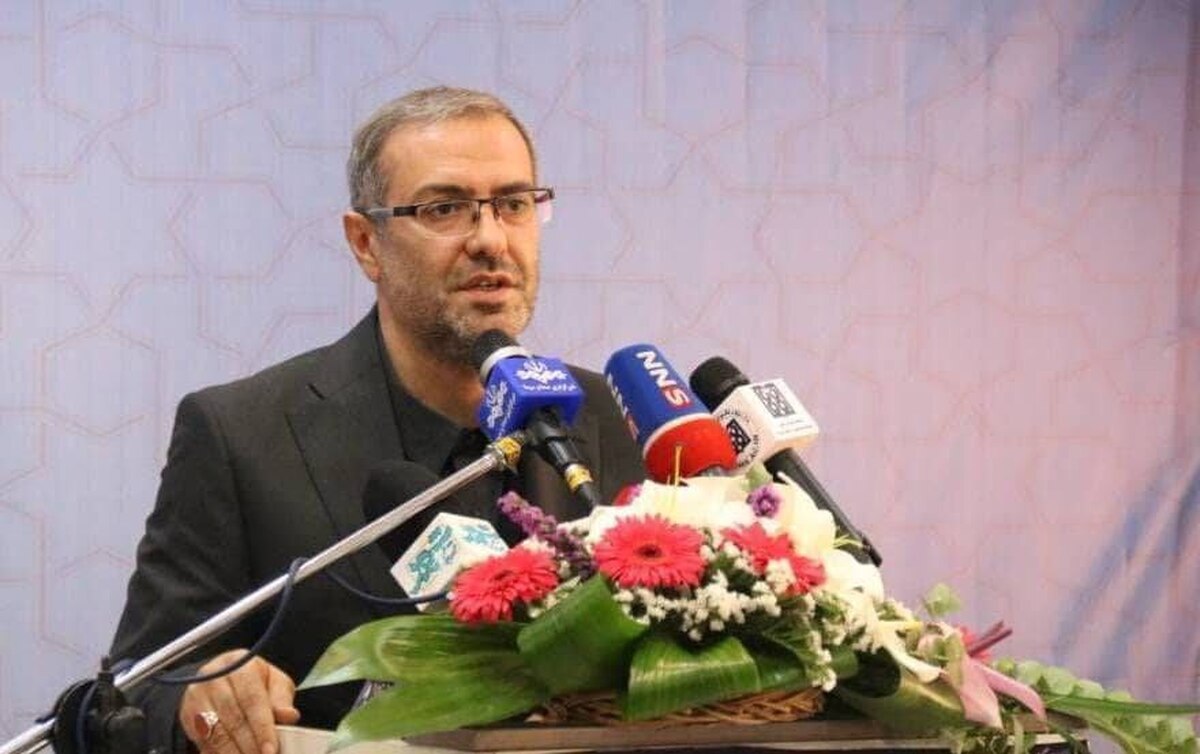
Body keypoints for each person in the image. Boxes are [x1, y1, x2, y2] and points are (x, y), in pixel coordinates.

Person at [108, 87, 645, 754]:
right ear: (366, 243)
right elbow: (131, 695)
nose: (489, 239)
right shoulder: (242, 435)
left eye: (513, 204)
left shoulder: (612, 417)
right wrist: (201, 696)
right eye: (444, 208)